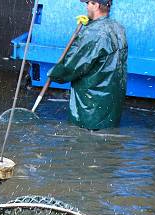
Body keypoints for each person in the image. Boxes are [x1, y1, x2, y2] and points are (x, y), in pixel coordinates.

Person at [47, 0, 127, 130]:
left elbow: (72, 67)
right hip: (112, 99)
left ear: (96, 5)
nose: (86, 7)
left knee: (84, 137)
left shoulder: (93, 33)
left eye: (88, 3)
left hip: (91, 104)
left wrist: (54, 74)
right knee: (106, 134)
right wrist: (89, 26)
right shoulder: (118, 27)